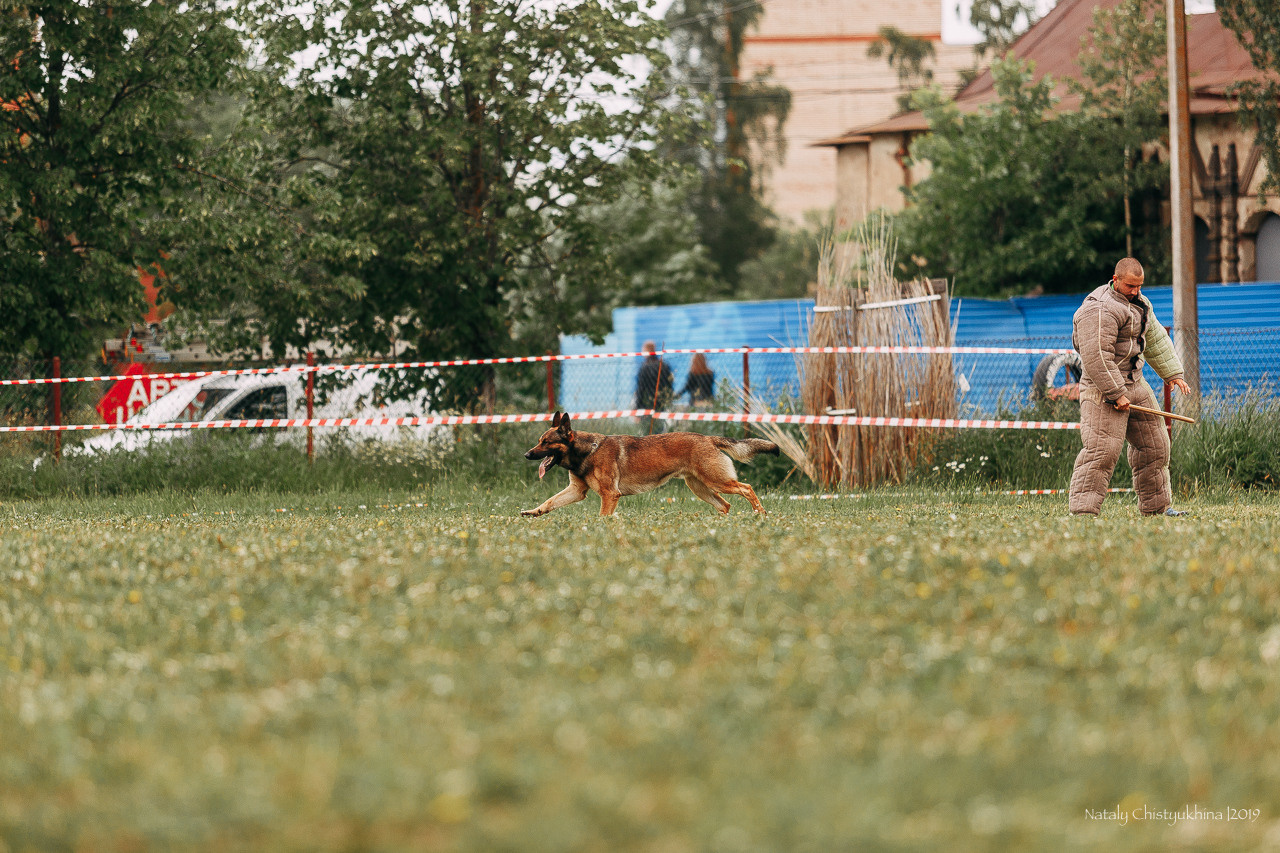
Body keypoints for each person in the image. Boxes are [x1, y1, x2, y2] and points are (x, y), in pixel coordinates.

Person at [1068, 257, 1192, 517]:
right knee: (1102, 451)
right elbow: (1096, 356)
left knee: (1156, 446)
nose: (1136, 292)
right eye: (1130, 286)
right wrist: (1115, 393)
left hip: (1135, 381)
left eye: (1139, 286)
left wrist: (1173, 374)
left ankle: (1157, 508)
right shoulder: (1100, 309)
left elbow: (1155, 338)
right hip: (1102, 387)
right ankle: (1083, 512)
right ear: (1115, 281)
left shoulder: (1141, 303)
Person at [635, 341, 674, 432]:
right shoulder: (664, 365)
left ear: (646, 350)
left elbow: (641, 389)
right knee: (660, 430)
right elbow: (669, 385)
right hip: (661, 402)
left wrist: (638, 408)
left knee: (647, 432)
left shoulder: (644, 367)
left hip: (647, 404)